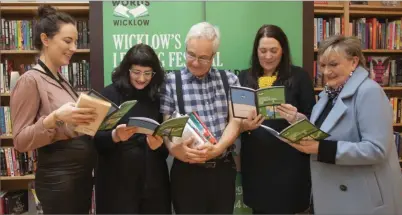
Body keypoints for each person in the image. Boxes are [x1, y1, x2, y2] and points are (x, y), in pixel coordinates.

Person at [287, 35, 402, 214]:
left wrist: (321, 149)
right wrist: (297, 119)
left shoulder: (369, 92)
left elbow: (377, 149)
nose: (326, 71)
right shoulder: (329, 93)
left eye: (333, 64)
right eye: (323, 65)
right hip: (336, 194)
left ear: (354, 62)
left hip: (362, 199)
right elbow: (326, 131)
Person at [160, 22, 257, 214]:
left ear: (214, 56)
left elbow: (235, 121)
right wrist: (176, 149)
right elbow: (167, 127)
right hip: (187, 173)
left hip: (222, 171)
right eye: (191, 55)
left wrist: (218, 148)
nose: (195, 62)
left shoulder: (229, 80)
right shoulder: (170, 82)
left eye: (203, 58)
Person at [10, 5, 97, 214]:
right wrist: (55, 118)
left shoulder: (63, 80)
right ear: (46, 39)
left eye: (76, 41)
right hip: (58, 180)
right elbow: (20, 141)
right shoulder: (30, 80)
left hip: (80, 177)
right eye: (68, 41)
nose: (74, 47)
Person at [238, 24, 316, 214]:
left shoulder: (299, 77)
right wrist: (243, 124)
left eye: (274, 50)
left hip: (289, 163)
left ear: (283, 51)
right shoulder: (244, 77)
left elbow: (313, 120)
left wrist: (296, 117)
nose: (268, 56)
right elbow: (234, 118)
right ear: (256, 51)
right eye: (263, 50)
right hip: (255, 162)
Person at [93, 44, 171, 214]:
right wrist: (115, 135)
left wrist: (159, 145)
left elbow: (166, 149)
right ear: (127, 70)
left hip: (153, 185)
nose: (142, 78)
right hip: (117, 186)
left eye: (147, 73)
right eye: (136, 72)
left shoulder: (158, 97)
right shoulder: (109, 94)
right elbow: (94, 140)